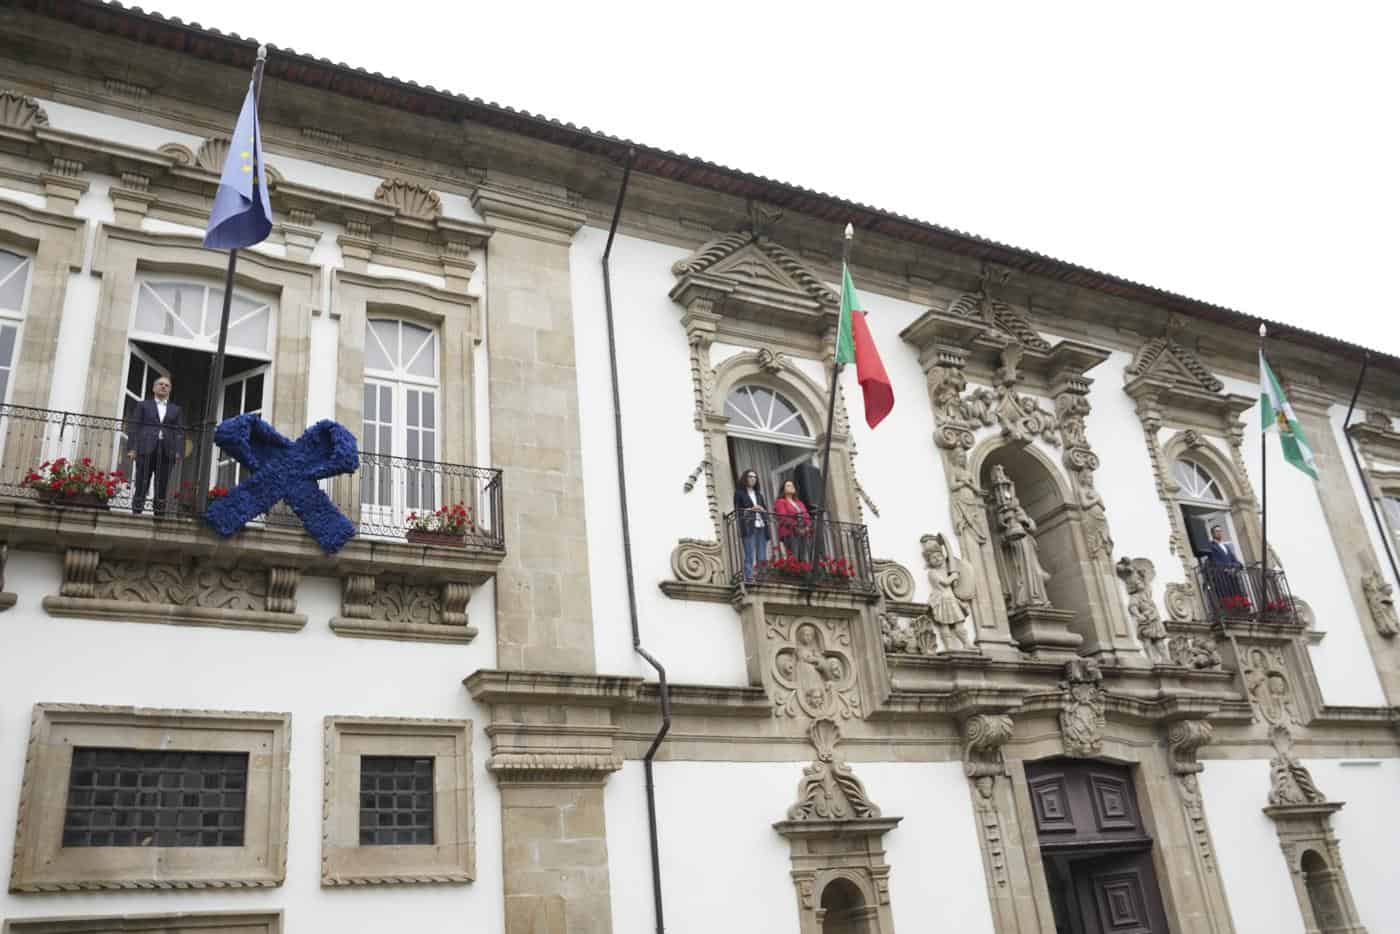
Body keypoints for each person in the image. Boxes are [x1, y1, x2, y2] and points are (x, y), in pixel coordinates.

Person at [126, 375, 184, 516]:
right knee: (141, 481)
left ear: (169, 390)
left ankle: (159, 514)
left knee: (162, 483)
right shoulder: (143, 405)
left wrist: (178, 451)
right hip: (145, 448)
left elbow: (179, 431)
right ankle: (137, 511)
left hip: (166, 450)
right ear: (154, 388)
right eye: (161, 384)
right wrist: (132, 448)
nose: (163, 386)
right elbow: (134, 426)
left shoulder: (175, 409)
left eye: (167, 385)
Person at [733, 468, 768, 582]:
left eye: (755, 477)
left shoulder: (759, 495)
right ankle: (749, 577)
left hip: (761, 525)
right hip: (748, 526)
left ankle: (761, 576)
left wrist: (762, 509)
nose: (753, 479)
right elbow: (738, 511)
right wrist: (751, 509)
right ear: (745, 478)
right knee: (749, 553)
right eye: (750, 476)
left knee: (762, 555)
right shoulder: (739, 493)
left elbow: (765, 511)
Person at [772, 479, 811, 560]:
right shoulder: (780, 502)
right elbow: (783, 517)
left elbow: (807, 516)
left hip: (803, 531)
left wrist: (807, 527)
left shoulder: (799, 502)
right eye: (788, 485)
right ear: (783, 489)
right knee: (794, 556)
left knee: (803, 557)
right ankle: (795, 572)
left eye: (792, 485)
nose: (792, 487)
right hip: (790, 532)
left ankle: (803, 572)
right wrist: (795, 527)